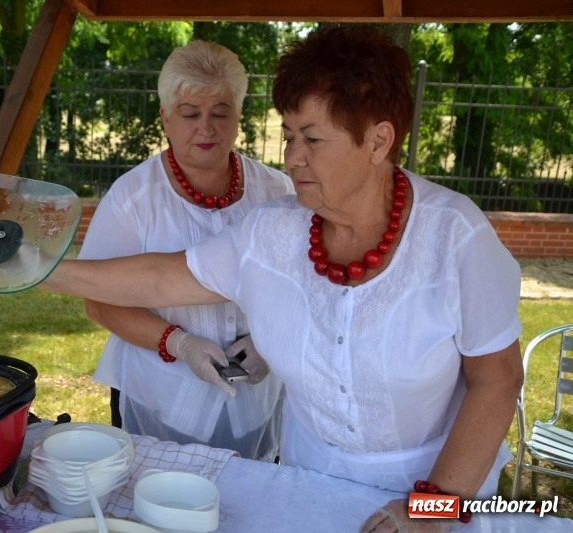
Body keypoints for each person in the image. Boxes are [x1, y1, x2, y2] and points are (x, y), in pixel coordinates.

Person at [42, 26, 523, 532]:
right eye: (290, 135)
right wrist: (38, 270)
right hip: (305, 486)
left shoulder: (455, 235)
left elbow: (497, 379)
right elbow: (162, 280)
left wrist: (432, 509)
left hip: (439, 485)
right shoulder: (273, 229)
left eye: (312, 139)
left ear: (378, 141)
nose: (292, 156)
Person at [77, 39, 293, 462]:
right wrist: (178, 343)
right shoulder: (132, 199)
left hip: (255, 398)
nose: (206, 129)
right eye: (190, 114)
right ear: (165, 119)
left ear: (239, 116)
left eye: (220, 113)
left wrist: (270, 340)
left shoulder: (276, 192)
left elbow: (300, 286)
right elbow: (99, 303)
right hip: (160, 395)